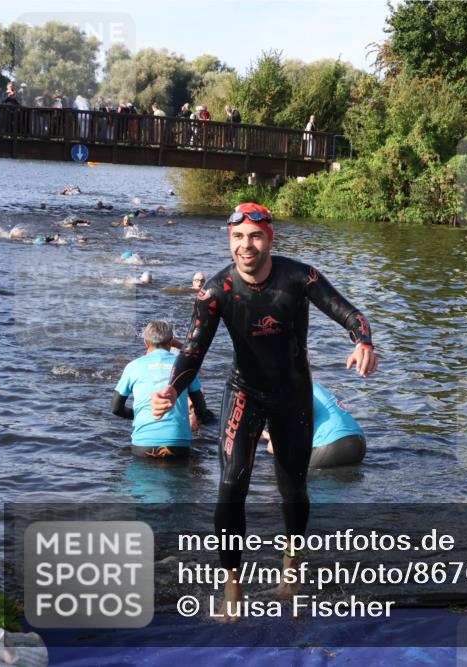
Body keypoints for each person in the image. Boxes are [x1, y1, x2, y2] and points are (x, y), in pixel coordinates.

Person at [149, 202, 378, 620]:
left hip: (292, 395)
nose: (246, 245)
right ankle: (232, 585)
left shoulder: (298, 277)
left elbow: (348, 312)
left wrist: (363, 341)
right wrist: (171, 391)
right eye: (238, 237)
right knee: (231, 485)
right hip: (244, 392)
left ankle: (291, 569)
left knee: (294, 491)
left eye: (255, 236)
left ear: (269, 238)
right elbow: (194, 351)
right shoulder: (216, 291)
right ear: (230, 241)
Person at [113, 320, 213, 459]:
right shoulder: (185, 366)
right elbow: (201, 408)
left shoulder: (133, 366)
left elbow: (116, 408)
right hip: (179, 445)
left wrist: (139, 413)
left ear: (145, 343)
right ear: (171, 341)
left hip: (144, 445)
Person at [263, 381, 366, 468]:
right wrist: (268, 436)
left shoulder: (284, 390)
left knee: (278, 472)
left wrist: (270, 442)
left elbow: (275, 447)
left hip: (333, 447)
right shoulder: (311, 383)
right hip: (358, 443)